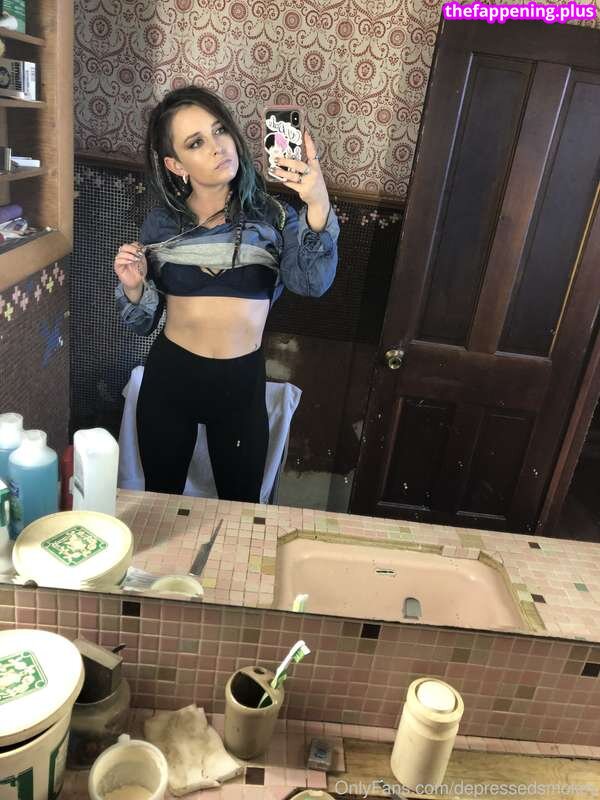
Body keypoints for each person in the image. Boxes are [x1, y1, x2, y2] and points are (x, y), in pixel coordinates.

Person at [113, 85, 339, 502]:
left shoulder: (274, 217)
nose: (217, 147)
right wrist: (133, 287)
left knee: (243, 510)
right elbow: (144, 323)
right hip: (170, 381)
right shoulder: (162, 225)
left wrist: (318, 205)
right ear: (175, 164)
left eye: (220, 131)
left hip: (241, 386)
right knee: (161, 506)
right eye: (196, 143)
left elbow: (312, 283)